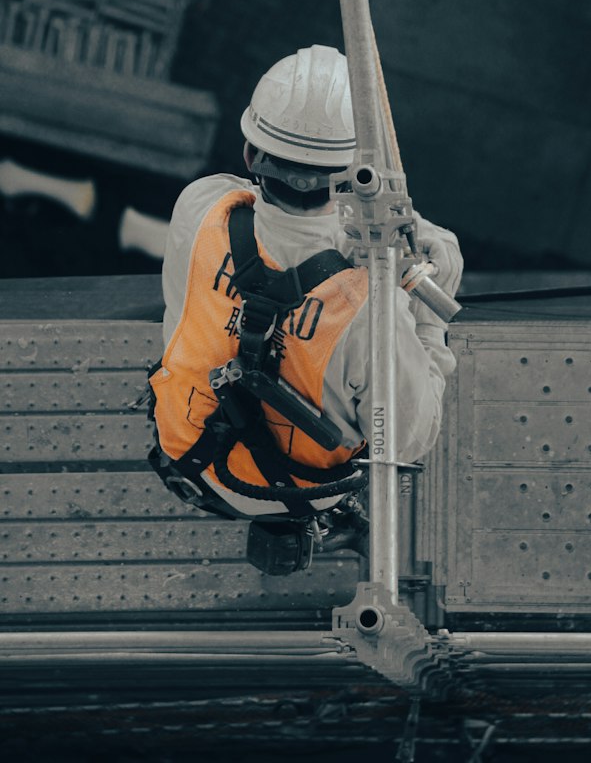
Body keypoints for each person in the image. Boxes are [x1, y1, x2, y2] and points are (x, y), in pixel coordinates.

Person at [148, 44, 462, 572]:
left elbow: (268, 214)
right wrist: (429, 303)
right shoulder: (371, 302)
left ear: (251, 155)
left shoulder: (201, 206)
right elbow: (408, 443)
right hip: (302, 493)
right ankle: (332, 518)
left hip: (189, 459)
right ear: (358, 172)